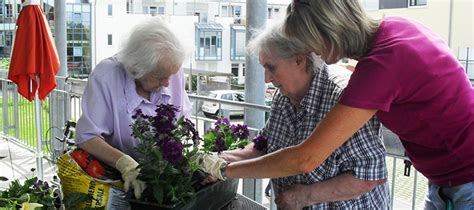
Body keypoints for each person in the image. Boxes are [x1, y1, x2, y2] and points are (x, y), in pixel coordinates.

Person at [198, 1, 474, 209]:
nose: (311, 51)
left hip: (466, 178)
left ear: (326, 31)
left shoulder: (378, 68)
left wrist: (223, 170)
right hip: (445, 180)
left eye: (309, 41)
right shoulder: (393, 31)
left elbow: (306, 159)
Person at [216, 24, 390, 209]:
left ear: (299, 61)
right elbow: (265, 144)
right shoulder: (283, 96)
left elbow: (370, 177)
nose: (266, 78)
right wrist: (220, 159)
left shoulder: (343, 97)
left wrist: (306, 196)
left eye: (271, 68)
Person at [75, 17, 191, 199]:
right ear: (137, 68)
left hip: (163, 179)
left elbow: (183, 123)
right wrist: (124, 163)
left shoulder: (171, 71)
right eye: (160, 77)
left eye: (171, 75)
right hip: (118, 182)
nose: (168, 82)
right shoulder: (106, 76)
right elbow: (87, 137)